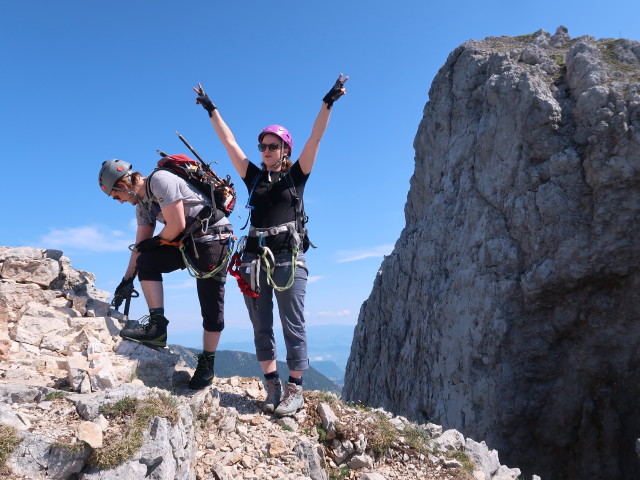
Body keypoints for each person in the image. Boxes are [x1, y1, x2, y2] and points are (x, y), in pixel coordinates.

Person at [193, 74, 348, 416]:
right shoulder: (253, 176)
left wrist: (329, 102)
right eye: (262, 146)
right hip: (253, 258)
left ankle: (295, 388)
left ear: (285, 150)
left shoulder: (297, 175)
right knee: (260, 324)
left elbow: (316, 137)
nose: (265, 151)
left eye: (272, 146)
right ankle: (271, 383)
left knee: (293, 323)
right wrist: (211, 109)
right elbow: (229, 143)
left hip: (287, 257)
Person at [98, 157, 233, 389]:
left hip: (212, 239)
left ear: (122, 184)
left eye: (115, 195)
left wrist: (156, 242)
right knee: (147, 260)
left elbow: (177, 224)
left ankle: (207, 364)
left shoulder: (160, 180)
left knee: (210, 304)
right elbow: (139, 247)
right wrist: (126, 280)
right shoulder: (142, 206)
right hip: (187, 242)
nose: (118, 201)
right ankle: (157, 327)